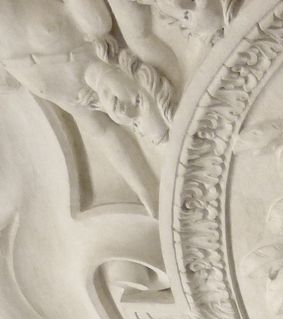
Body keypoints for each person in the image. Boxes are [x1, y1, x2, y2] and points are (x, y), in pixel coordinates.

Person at [0, 0, 176, 211]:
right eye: (138, 102)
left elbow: (104, 132)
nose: (124, 110)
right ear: (137, 76)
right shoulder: (95, 24)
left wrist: (147, 191)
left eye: (135, 123)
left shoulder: (77, 99)